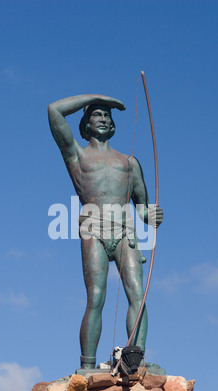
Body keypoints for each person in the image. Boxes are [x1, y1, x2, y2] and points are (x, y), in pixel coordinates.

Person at [48, 94, 163, 369]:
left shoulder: (129, 162)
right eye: (96, 114)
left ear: (113, 125)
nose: (103, 118)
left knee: (137, 294)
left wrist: (152, 214)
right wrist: (97, 97)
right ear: (86, 124)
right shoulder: (77, 155)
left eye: (107, 115)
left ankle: (134, 359)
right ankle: (87, 365)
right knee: (96, 298)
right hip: (93, 229)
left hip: (125, 231)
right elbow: (54, 111)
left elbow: (143, 208)